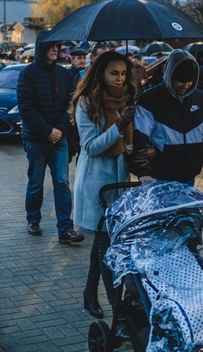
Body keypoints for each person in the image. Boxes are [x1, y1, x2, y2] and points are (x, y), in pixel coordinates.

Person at [71, 50, 136, 319]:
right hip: (96, 184)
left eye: (123, 73)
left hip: (119, 184)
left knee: (103, 243)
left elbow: (131, 143)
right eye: (114, 73)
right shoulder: (86, 103)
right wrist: (120, 126)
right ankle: (118, 313)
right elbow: (91, 147)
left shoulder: (127, 100)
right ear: (101, 73)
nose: (119, 79)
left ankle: (89, 294)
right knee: (106, 246)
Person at [17, 31, 83, 244]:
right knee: (36, 183)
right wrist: (47, 131)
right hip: (36, 139)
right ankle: (33, 219)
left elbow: (70, 105)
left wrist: (59, 131)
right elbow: (26, 108)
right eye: (51, 46)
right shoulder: (27, 74)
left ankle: (65, 229)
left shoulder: (64, 75)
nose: (56, 49)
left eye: (58, 46)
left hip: (59, 140)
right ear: (41, 48)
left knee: (62, 183)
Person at [131, 49, 203, 190]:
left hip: (189, 178)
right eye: (180, 81)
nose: (185, 86)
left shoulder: (200, 99)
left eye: (189, 82)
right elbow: (139, 139)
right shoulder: (149, 99)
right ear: (169, 75)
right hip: (157, 179)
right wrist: (143, 172)